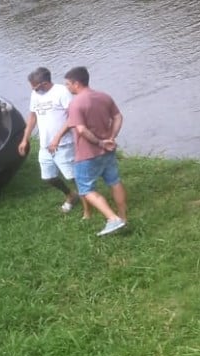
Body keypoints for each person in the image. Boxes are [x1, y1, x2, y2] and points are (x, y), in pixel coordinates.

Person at [64, 66, 127, 236]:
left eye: (68, 84)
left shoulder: (76, 103)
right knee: (114, 181)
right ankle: (123, 217)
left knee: (86, 190)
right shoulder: (104, 96)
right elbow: (118, 117)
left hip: (87, 154)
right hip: (108, 151)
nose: (67, 87)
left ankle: (113, 219)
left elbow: (82, 130)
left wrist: (100, 142)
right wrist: (111, 137)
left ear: (76, 83)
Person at [17, 67, 84, 215]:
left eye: (35, 86)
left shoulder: (62, 92)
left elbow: (73, 116)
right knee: (48, 177)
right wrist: (24, 139)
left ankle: (88, 202)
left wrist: (58, 137)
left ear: (44, 83)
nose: (33, 89)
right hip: (45, 145)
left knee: (72, 176)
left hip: (64, 144)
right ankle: (70, 195)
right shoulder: (35, 94)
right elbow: (32, 117)